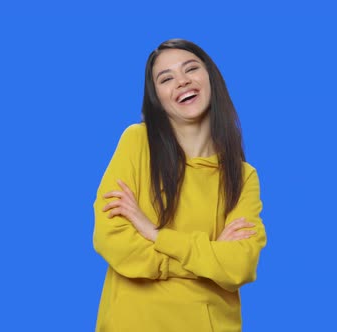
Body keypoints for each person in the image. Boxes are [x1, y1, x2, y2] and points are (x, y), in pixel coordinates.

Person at [93, 38, 267, 332]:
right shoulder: (137, 143)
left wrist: (156, 234)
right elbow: (111, 238)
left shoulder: (242, 176)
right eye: (166, 78)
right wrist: (207, 259)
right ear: (157, 97)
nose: (182, 82)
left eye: (191, 69)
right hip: (134, 322)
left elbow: (239, 265)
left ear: (210, 76)